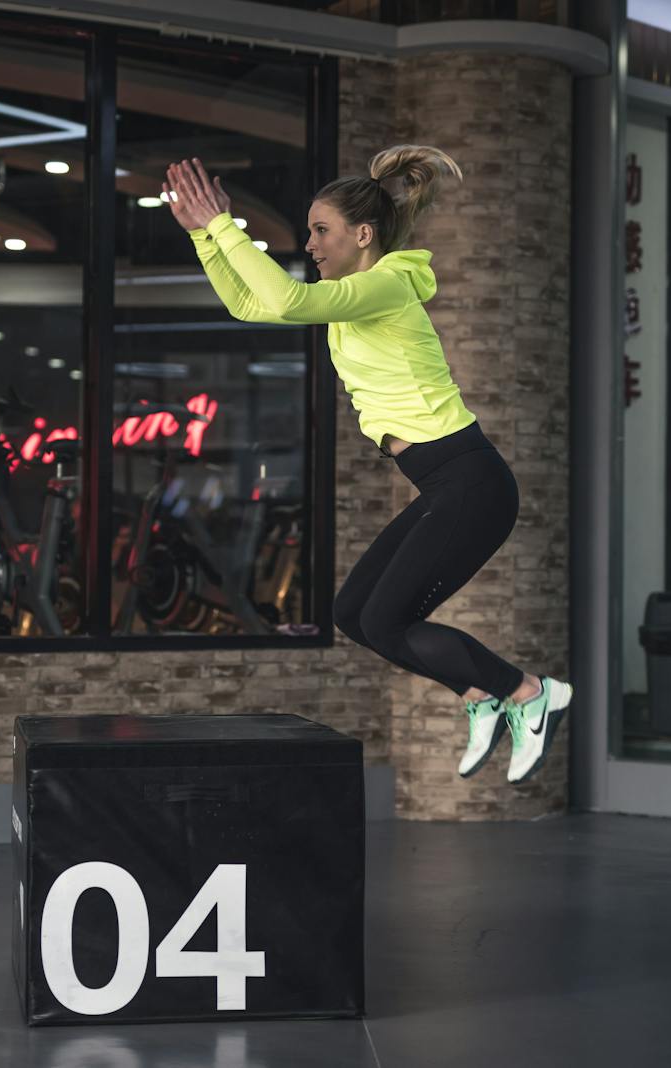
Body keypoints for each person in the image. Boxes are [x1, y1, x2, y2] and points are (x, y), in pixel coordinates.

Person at [163, 148, 571, 785]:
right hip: (446, 483)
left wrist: (223, 227)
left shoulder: (384, 286)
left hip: (471, 482)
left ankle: (528, 691)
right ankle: (480, 694)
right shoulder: (348, 298)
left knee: (386, 620)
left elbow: (288, 299)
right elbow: (255, 305)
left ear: (363, 234)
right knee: (353, 614)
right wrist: (205, 240)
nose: (310, 243)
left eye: (320, 230)